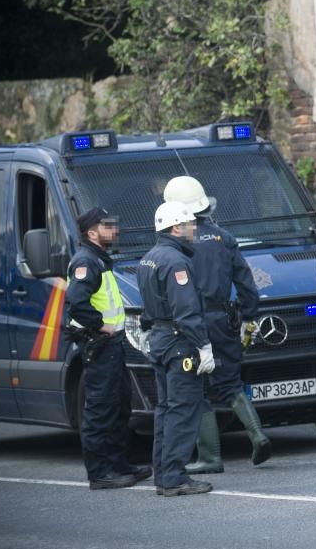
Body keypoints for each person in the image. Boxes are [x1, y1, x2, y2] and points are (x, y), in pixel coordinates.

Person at [162, 176, 269, 474]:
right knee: (230, 383)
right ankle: (257, 435)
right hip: (223, 319)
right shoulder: (224, 237)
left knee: (198, 389)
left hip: (192, 321)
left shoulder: (177, 243)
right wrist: (248, 316)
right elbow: (247, 284)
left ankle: (210, 457)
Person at [66, 207, 152, 490]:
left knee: (118, 406)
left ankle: (118, 465)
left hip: (112, 345)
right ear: (92, 233)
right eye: (107, 226)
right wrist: (99, 324)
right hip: (99, 344)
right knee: (101, 409)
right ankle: (101, 472)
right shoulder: (86, 262)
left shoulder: (99, 260)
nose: (114, 230)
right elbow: (77, 301)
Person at [138, 201, 216, 496]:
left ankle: (164, 473)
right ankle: (174, 477)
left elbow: (149, 306)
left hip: (160, 340)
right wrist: (203, 345)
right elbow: (186, 310)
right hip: (179, 343)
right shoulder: (176, 262)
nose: (194, 228)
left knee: (165, 410)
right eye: (189, 224)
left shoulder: (149, 258)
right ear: (175, 228)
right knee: (183, 410)